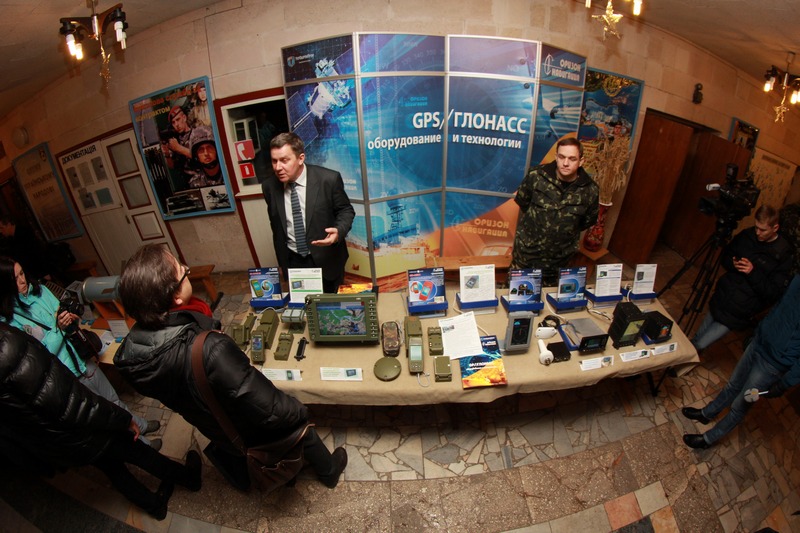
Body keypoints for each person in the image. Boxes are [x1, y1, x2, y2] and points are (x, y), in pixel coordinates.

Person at [114, 244, 348, 491]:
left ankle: (287, 476)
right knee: (299, 429)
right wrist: (298, 410)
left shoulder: (131, 356)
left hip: (216, 426)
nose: (186, 268)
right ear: (176, 297)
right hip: (246, 424)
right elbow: (270, 408)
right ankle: (329, 471)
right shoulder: (210, 349)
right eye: (182, 271)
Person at [0, 322, 201, 520]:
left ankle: (154, 506)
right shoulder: (9, 348)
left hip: (62, 439)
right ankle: (189, 479)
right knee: (140, 453)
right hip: (83, 427)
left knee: (113, 469)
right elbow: (71, 402)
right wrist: (122, 419)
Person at [0, 256, 162, 449]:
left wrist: (70, 320)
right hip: (66, 375)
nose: (22, 280)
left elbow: (64, 318)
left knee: (113, 398)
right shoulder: (9, 321)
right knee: (107, 415)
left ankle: (141, 425)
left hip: (81, 358)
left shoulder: (41, 290)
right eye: (15, 278)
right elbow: (40, 354)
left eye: (22, 273)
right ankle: (144, 446)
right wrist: (58, 328)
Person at [682, 273, 800, 449]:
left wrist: (785, 383)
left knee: (740, 404)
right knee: (732, 385)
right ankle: (707, 413)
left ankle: (708, 439)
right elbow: (780, 306)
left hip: (774, 363)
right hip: (759, 342)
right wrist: (759, 330)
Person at [690, 205, 793, 351]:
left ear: (775, 228)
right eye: (756, 227)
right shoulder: (747, 235)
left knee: (699, 344)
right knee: (696, 339)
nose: (757, 232)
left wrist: (752, 272)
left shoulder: (783, 254)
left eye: (762, 230)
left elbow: (772, 292)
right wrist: (733, 264)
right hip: (722, 297)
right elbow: (725, 256)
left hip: (740, 310)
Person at [262, 132, 355, 294]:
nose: (278, 167)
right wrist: (283, 262)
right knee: (304, 304)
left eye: (284, 160)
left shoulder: (328, 179)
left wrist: (338, 231)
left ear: (301, 158)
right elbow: (276, 225)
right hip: (293, 261)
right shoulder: (269, 186)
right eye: (274, 161)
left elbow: (346, 210)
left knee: (332, 304)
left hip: (326, 258)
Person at [511, 137, 600, 286]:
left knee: (549, 299)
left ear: (581, 161)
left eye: (572, 159)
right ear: (556, 157)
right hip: (527, 256)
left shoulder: (590, 190)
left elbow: (586, 222)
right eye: (562, 157)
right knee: (516, 295)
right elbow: (523, 203)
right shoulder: (536, 176)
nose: (565, 163)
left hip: (559, 262)